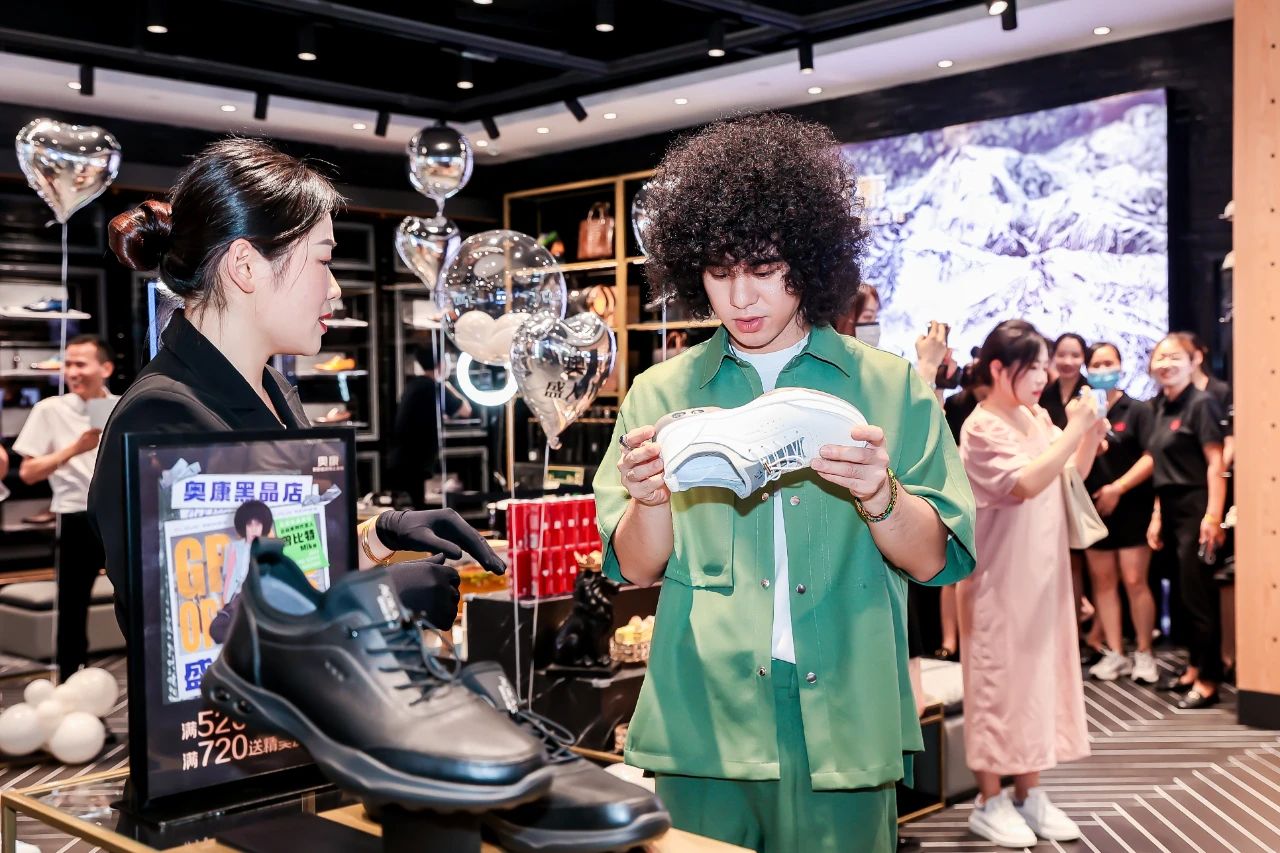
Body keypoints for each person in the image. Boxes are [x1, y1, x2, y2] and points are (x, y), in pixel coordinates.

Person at [593, 113, 976, 853]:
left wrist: (881, 495)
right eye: (719, 271)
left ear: (808, 257)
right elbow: (635, 566)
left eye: (764, 268)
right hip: (702, 715)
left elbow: (936, 558)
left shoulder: (889, 387)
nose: (740, 297)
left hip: (845, 712)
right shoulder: (659, 393)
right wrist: (649, 499)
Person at [90, 137, 504, 636]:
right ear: (245, 266)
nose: (335, 289)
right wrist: (370, 600)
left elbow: (289, 559)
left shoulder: (272, 390)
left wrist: (380, 535)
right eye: (323, 261)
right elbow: (196, 628)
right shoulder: (164, 414)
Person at [957, 320, 1105, 848]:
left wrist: (1087, 434)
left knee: (1038, 684)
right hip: (999, 584)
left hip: (1044, 576)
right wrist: (1074, 429)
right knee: (997, 687)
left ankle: (1029, 792)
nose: (1043, 376)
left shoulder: (1036, 416)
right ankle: (988, 800)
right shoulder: (981, 427)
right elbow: (1023, 483)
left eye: (1045, 365)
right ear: (999, 369)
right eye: (1033, 366)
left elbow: (1067, 475)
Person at [13, 335, 116, 681]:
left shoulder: (122, 405)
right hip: (74, 516)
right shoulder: (50, 410)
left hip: (119, 514)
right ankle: (69, 684)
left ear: (105, 368)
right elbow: (28, 473)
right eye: (67, 364)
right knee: (72, 608)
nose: (72, 371)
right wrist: (75, 448)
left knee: (136, 599)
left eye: (80, 364)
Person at [1144, 333, 1227, 709]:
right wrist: (1157, 515)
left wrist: (1213, 515)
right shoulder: (1161, 406)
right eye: (1160, 358)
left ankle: (1209, 680)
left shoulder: (1202, 403)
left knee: (1198, 596)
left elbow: (1216, 463)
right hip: (1171, 508)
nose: (1166, 364)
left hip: (1197, 507)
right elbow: (1162, 465)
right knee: (1181, 595)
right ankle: (1193, 668)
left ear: (1194, 361)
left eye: (1175, 357)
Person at [1081, 343, 1159, 684]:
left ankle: (1144, 652)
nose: (1102, 370)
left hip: (1132, 507)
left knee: (1134, 580)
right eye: (1096, 364)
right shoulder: (1083, 412)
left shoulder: (1138, 410)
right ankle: (1115, 652)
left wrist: (1118, 488)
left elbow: (1152, 456)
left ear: (1121, 366)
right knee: (1103, 582)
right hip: (1094, 509)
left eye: (1108, 363)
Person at [385, 345, 472, 508]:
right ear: (441, 364)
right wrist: (445, 383)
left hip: (399, 459)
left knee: (408, 511)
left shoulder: (413, 385)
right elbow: (466, 410)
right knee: (419, 511)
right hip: (415, 463)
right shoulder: (434, 387)